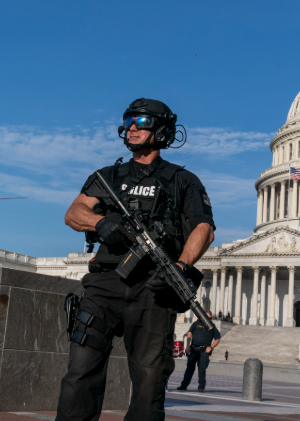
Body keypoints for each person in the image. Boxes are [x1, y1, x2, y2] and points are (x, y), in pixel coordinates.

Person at [56, 98, 216, 421]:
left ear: (162, 131)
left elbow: (204, 229)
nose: (131, 127)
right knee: (80, 373)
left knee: (149, 382)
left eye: (141, 122)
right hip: (105, 283)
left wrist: (181, 266)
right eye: (128, 120)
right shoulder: (109, 176)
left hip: (153, 288)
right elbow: (73, 213)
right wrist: (101, 223)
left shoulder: (182, 181)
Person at [176, 310, 221, 393]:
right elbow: (189, 334)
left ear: (210, 317)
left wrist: (211, 347)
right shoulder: (196, 323)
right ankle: (184, 385)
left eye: (208, 315)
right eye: (205, 315)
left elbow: (218, 339)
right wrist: (188, 345)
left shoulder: (212, 326)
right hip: (193, 350)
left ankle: (201, 387)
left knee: (202, 370)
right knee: (189, 369)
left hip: (204, 351)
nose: (206, 316)